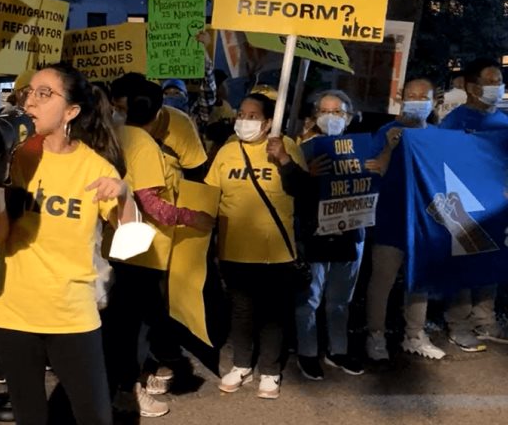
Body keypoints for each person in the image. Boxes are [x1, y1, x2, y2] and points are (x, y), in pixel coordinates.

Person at [0, 63, 136, 425]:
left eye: (44, 93)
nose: (31, 102)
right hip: (14, 312)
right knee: (30, 416)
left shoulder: (95, 167)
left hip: (73, 314)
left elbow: (130, 244)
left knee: (94, 416)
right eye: (28, 93)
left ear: (71, 111)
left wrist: (125, 195)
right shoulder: (15, 159)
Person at [102, 84, 214, 418]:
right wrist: (195, 218)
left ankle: (125, 383)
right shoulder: (145, 145)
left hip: (117, 244)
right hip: (145, 250)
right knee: (136, 328)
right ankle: (129, 392)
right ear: (159, 110)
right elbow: (151, 204)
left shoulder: (115, 134)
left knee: (122, 324)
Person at [207, 93, 307, 400]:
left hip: (276, 250)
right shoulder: (226, 152)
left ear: (267, 122)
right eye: (241, 113)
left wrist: (285, 160)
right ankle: (241, 365)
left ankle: (270, 371)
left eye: (252, 116)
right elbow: (211, 196)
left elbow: (304, 190)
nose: (244, 120)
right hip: (235, 249)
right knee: (241, 311)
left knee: (272, 314)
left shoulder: (286, 146)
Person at [364, 78, 446, 361]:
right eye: (411, 95)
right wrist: (389, 147)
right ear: (401, 99)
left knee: (419, 280)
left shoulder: (439, 136)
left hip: (425, 224)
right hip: (390, 219)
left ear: (434, 101)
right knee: (382, 280)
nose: (416, 101)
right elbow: (372, 171)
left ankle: (414, 334)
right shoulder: (386, 132)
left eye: (423, 96)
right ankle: (375, 335)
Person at [294, 90, 366, 380]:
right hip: (314, 232)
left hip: (351, 233)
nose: (331, 117)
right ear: (315, 117)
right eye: (325, 111)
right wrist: (306, 174)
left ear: (348, 117)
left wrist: (379, 164)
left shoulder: (364, 150)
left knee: (340, 299)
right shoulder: (303, 149)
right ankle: (307, 352)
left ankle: (338, 350)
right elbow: (289, 191)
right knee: (308, 299)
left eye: (337, 112)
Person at [438, 59, 508, 351]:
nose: (496, 87)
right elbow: (438, 161)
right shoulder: (454, 122)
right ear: (471, 87)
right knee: (464, 266)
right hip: (464, 207)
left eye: (499, 81)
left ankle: (486, 319)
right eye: (490, 82)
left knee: (491, 261)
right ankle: (459, 323)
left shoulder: (504, 121)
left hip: (497, 206)